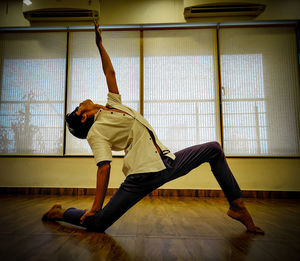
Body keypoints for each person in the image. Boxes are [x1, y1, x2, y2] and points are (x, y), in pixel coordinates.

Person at [42, 21, 264, 235]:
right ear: (82, 118)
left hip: (165, 162)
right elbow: (104, 167)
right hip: (143, 174)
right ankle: (62, 213)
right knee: (98, 222)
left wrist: (100, 45)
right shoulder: (95, 132)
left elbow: (110, 74)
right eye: (79, 106)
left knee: (214, 149)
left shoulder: (112, 107)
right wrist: (95, 206)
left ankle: (237, 206)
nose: (82, 102)